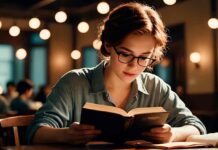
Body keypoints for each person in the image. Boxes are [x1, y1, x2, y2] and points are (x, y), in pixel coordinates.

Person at [27, 2, 206, 145]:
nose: (134, 65)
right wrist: (67, 135)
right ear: (107, 46)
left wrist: (173, 134)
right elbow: (35, 132)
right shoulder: (75, 82)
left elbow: (197, 126)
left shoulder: (155, 86)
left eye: (144, 57)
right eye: (125, 54)